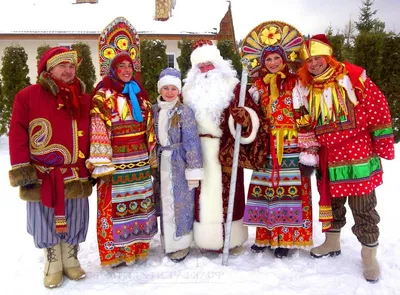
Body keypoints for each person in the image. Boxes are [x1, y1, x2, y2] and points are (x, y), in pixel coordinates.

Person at [293, 34, 395, 282]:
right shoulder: (304, 87)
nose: (314, 64)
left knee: (363, 205)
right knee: (331, 202)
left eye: (318, 58)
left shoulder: (352, 77)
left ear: (328, 57)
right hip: (327, 154)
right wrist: (309, 149)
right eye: (309, 61)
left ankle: (369, 255)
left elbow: (377, 106)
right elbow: (303, 118)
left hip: (356, 151)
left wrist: (381, 141)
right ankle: (331, 242)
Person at [8, 46, 92, 288]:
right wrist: (23, 170)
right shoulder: (28, 96)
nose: (68, 70)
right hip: (42, 173)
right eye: (62, 66)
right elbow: (17, 135)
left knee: (76, 215)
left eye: (72, 66)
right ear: (49, 68)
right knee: (44, 216)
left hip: (75, 171)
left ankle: (70, 257)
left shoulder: (84, 99)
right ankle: (52, 261)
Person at [86, 17, 158, 267]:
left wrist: (151, 156)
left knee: (138, 203)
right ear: (112, 69)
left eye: (130, 66)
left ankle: (137, 247)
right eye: (121, 67)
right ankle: (115, 254)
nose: (127, 70)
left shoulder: (139, 93)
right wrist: (102, 164)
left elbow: (149, 126)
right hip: (115, 163)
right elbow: (98, 129)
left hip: (138, 162)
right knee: (114, 207)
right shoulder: (102, 95)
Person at [241, 21, 313, 258]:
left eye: (276, 58)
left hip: (291, 144)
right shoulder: (258, 86)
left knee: (288, 191)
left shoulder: (296, 82)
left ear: (284, 59)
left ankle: (287, 239)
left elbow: (304, 114)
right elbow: (252, 114)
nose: (272, 63)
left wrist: (307, 148)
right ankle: (264, 236)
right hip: (267, 145)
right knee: (266, 190)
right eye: (268, 59)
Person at [182, 39, 260, 253]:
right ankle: (205, 238)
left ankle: (232, 238)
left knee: (230, 194)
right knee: (201, 195)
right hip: (197, 151)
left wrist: (245, 118)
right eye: (201, 66)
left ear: (218, 64)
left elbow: (252, 116)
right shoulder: (187, 91)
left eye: (209, 65)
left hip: (226, 149)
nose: (205, 70)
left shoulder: (234, 87)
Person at [152, 67, 203, 262]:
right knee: (165, 202)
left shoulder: (184, 111)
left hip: (179, 162)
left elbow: (191, 142)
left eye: (173, 88)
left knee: (181, 203)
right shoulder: (154, 110)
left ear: (178, 90)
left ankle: (181, 243)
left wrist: (193, 170)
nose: (169, 92)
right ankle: (168, 241)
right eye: (166, 88)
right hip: (162, 161)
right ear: (160, 90)